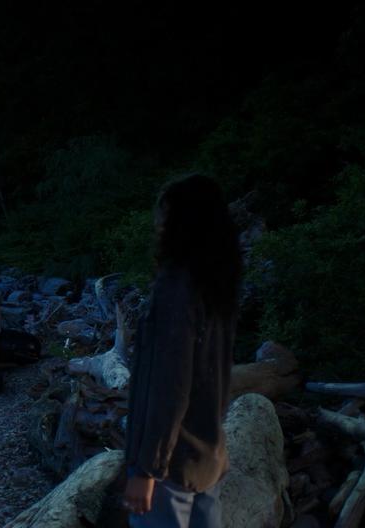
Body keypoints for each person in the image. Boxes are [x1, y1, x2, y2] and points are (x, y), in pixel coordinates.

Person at [123, 174, 242, 527]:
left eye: (163, 214)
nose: (157, 223)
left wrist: (147, 468)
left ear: (181, 222)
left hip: (170, 467)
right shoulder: (218, 285)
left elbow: (169, 384)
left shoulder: (175, 287)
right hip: (207, 453)